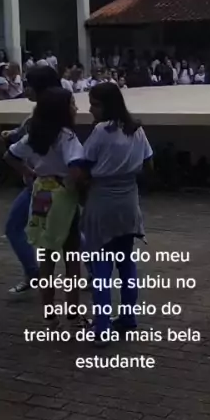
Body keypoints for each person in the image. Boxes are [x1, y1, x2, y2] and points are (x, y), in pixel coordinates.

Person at [76, 83, 153, 341]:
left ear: (107, 105)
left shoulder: (101, 131)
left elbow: (83, 167)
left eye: (95, 104)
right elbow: (148, 163)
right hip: (128, 202)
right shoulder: (136, 129)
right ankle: (129, 317)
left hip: (102, 202)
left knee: (101, 267)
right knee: (126, 263)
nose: (90, 109)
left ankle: (102, 327)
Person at [5, 88, 85, 327]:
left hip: (41, 194)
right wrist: (84, 189)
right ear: (62, 110)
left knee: (47, 257)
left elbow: (10, 155)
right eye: (72, 104)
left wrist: (29, 173)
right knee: (71, 258)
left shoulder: (35, 135)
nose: (76, 108)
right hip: (63, 197)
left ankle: (49, 314)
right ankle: (73, 312)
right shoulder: (67, 136)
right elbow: (75, 168)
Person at [2, 65, 62, 294]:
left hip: (42, 184)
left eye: (30, 85)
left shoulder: (39, 119)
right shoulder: (57, 113)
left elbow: (15, 150)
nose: (25, 89)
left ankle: (35, 273)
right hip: (50, 183)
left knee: (18, 228)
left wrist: (27, 171)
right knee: (68, 229)